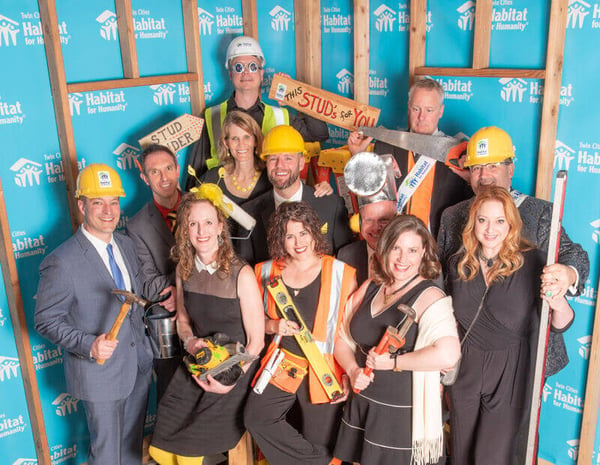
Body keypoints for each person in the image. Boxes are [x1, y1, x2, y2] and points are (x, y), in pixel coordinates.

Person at [446, 186, 574, 465]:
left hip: (510, 372)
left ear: (511, 224)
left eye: (499, 221)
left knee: (491, 457)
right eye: (483, 220)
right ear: (473, 222)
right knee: (461, 455)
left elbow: (562, 323)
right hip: (465, 369)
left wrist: (557, 302)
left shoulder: (533, 262)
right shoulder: (458, 264)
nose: (490, 229)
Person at [35, 164, 153, 465]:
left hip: (136, 366)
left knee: (129, 452)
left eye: (114, 202)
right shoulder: (62, 261)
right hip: (99, 372)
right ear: (81, 205)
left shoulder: (125, 244)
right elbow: (46, 320)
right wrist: (89, 344)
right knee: (106, 456)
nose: (108, 211)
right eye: (98, 202)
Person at [333, 215, 460, 465]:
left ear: (424, 252)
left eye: (412, 250)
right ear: (384, 248)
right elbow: (341, 337)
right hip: (365, 405)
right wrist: (352, 369)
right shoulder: (372, 286)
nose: (403, 259)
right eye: (396, 248)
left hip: (403, 417)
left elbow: (448, 354)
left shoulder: (429, 296)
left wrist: (392, 362)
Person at [148, 192, 264, 464]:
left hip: (235, 369)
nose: (201, 231)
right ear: (184, 229)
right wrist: (190, 343)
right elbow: (184, 322)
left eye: (208, 223)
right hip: (197, 363)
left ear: (220, 226)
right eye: (193, 224)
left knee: (187, 455)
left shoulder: (241, 274)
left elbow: (256, 343)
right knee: (160, 451)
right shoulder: (183, 269)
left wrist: (230, 381)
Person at [244, 201, 357, 465]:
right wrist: (273, 326)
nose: (298, 242)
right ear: (279, 239)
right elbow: (251, 319)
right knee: (257, 418)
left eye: (303, 233)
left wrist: (350, 372)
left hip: (325, 370)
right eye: (289, 235)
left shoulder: (341, 273)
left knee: (320, 441)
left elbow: (351, 332)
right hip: (283, 364)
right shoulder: (265, 271)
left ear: (314, 233)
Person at [437, 126, 589, 299]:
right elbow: (439, 276)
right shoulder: (452, 216)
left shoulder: (540, 214)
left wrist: (569, 273)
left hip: (519, 322)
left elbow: (575, 255)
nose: (484, 175)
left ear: (510, 170)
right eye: (476, 168)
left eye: (493, 166)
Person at [185, 35, 329, 187]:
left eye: (252, 66)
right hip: (225, 203)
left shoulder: (279, 116)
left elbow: (319, 133)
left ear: (261, 74)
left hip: (269, 201)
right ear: (230, 74)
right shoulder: (211, 117)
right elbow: (195, 175)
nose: (246, 72)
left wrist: (296, 95)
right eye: (239, 67)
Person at [347, 78, 471, 236]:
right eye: (416, 109)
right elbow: (369, 199)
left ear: (440, 111)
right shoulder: (386, 146)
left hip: (438, 249)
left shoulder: (456, 152)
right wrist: (358, 155)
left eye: (429, 110)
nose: (421, 117)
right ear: (408, 108)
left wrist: (470, 179)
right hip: (395, 244)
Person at [200, 111, 332, 238]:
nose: (241, 144)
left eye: (247, 137)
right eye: (235, 138)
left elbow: (296, 194)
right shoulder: (212, 179)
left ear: (256, 140)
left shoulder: (273, 175)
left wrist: (322, 189)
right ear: (226, 143)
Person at [239, 125, 353, 266]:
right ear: (266, 164)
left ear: (300, 163)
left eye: (288, 158)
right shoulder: (248, 214)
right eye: (273, 159)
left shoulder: (331, 205)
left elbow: (345, 261)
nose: (280, 166)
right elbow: (244, 269)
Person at [127, 144, 180, 402]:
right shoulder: (137, 225)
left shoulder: (204, 203)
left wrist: (184, 289)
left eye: (168, 168)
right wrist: (182, 287)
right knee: (172, 393)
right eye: (155, 172)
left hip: (209, 305)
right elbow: (148, 283)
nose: (164, 178)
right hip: (168, 314)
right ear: (145, 178)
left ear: (177, 168)